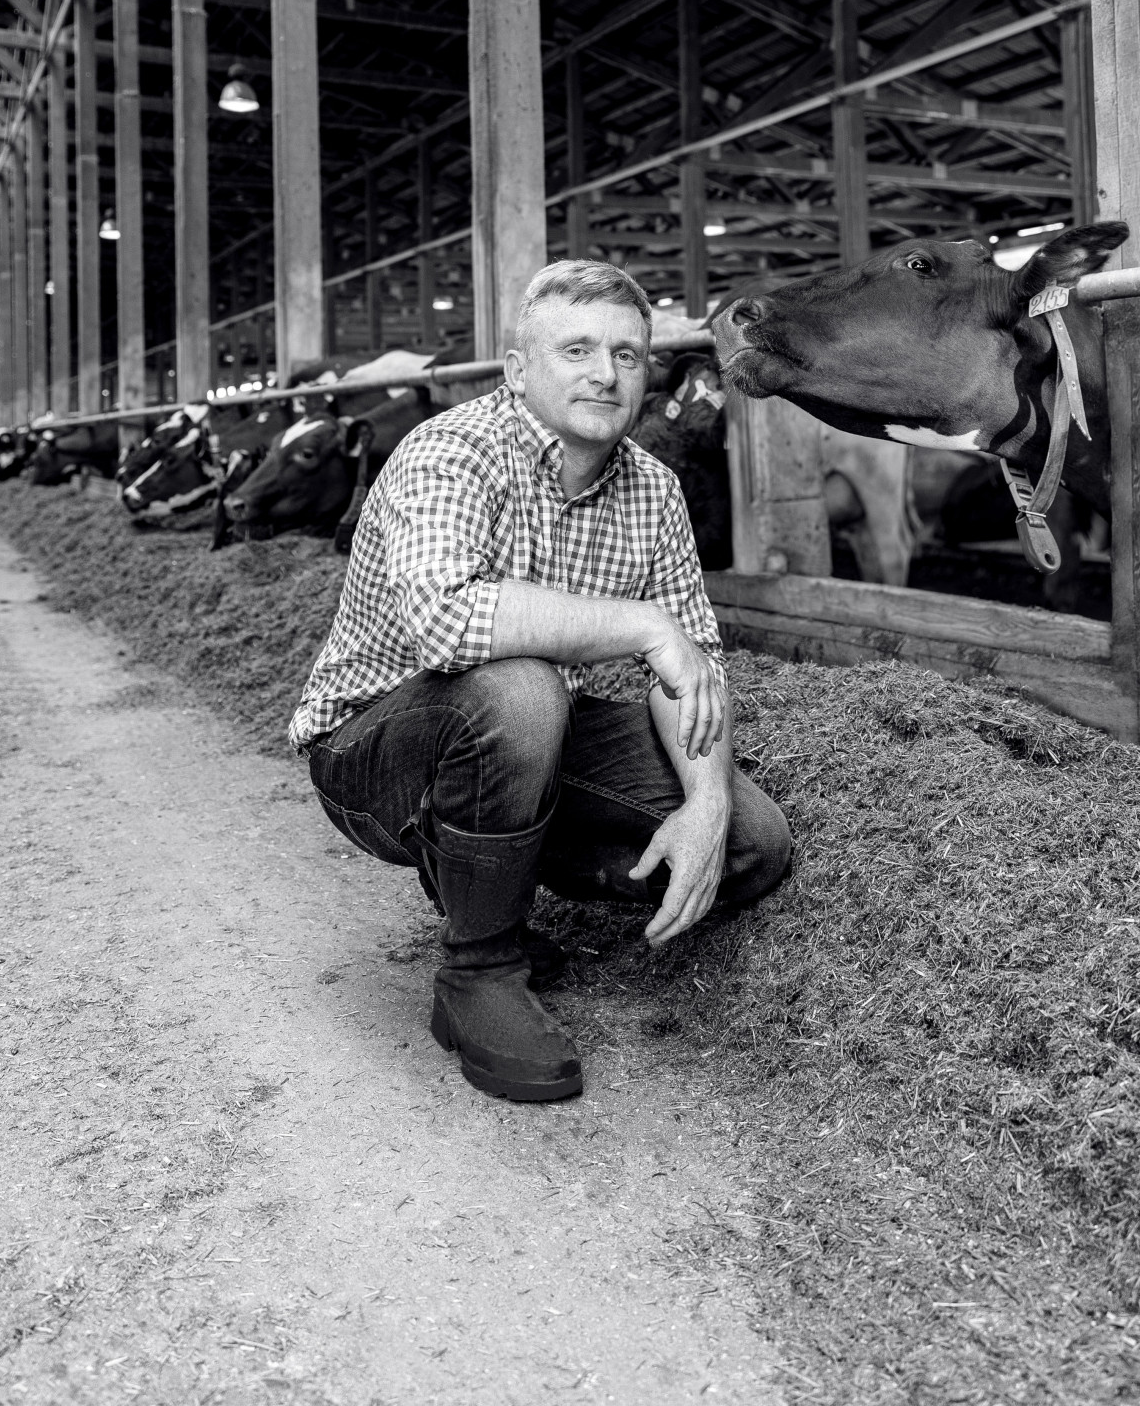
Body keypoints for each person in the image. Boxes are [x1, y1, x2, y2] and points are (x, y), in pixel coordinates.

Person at [290, 261, 791, 1104]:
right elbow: (447, 623)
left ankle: (490, 873)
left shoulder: (653, 490)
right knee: (521, 688)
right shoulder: (451, 450)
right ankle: (479, 970)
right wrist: (642, 625)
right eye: (577, 350)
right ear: (518, 370)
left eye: (627, 355)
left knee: (752, 842)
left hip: (520, 740)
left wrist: (704, 805)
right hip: (373, 753)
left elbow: (692, 668)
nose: (606, 374)